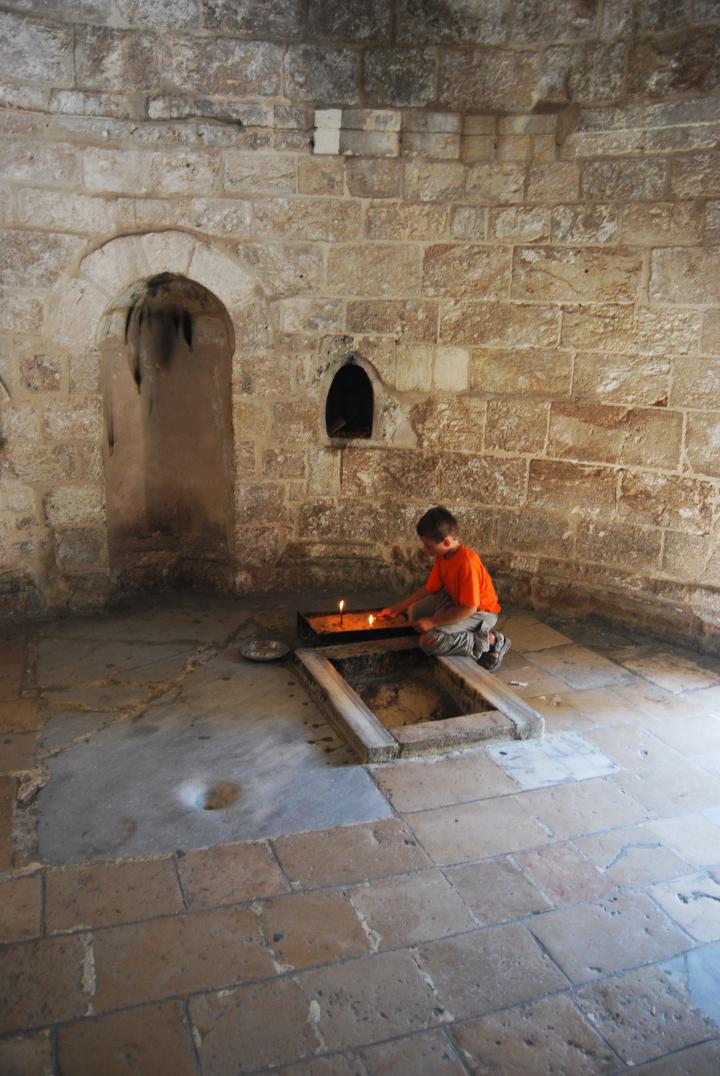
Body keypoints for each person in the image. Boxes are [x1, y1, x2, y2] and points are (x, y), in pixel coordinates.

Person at [378, 506, 511, 671]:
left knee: (429, 641)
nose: (426, 551)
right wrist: (397, 608)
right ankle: (450, 629)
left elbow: (470, 608)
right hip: (455, 603)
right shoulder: (443, 556)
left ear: (447, 541)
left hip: (480, 613)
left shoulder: (467, 562)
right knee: (414, 613)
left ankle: (490, 641)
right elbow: (429, 589)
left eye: (429, 546)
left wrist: (434, 622)